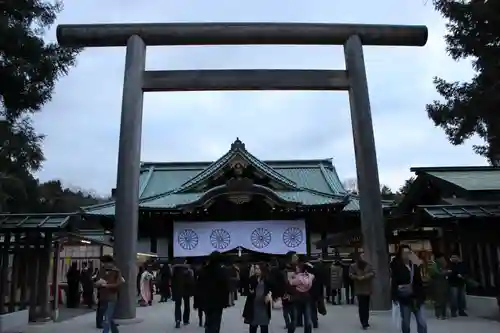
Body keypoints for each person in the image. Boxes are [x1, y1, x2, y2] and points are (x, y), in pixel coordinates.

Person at [391, 245, 427, 333]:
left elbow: (419, 282)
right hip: (404, 298)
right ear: (400, 254)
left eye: (409, 252)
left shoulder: (414, 265)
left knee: (422, 322)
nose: (407, 255)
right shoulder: (396, 265)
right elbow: (394, 282)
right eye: (405, 253)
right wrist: (394, 296)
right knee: (406, 322)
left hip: (417, 297)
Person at [198, 251, 230, 333]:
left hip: (206, 301)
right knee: (215, 323)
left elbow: (199, 287)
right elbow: (225, 288)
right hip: (218, 302)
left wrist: (199, 301)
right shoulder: (222, 271)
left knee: (208, 322)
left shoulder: (204, 270)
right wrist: (226, 302)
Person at [243, 263, 273, 333]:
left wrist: (269, 294)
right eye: (255, 268)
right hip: (253, 305)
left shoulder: (267, 279)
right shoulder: (252, 278)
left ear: (262, 269)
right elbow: (246, 289)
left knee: (264, 326)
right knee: (253, 326)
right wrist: (250, 291)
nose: (256, 270)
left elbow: (272, 289)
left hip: (263, 306)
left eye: (258, 268)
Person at [96, 255, 123, 333]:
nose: (104, 265)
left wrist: (107, 285)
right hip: (102, 297)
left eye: (105, 263)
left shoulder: (117, 271)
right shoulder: (101, 270)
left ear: (110, 263)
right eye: (103, 263)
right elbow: (96, 281)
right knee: (108, 317)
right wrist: (97, 283)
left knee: (107, 318)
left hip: (111, 297)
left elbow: (118, 284)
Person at [349, 253, 375, 330]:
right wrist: (357, 277)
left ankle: (366, 321)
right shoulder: (353, 266)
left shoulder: (369, 265)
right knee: (361, 306)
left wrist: (365, 276)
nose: (364, 257)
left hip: (367, 288)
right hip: (359, 288)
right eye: (362, 256)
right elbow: (350, 275)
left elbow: (373, 273)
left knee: (366, 306)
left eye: (365, 256)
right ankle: (363, 322)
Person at [289, 263, 314, 333]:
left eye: (297, 268)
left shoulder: (297, 278)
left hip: (297, 299)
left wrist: (291, 277)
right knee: (308, 320)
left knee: (294, 320)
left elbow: (290, 283)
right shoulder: (310, 277)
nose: (296, 269)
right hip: (306, 298)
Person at [171, 258, 195, 328]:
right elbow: (191, 281)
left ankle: (178, 320)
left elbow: (172, 280)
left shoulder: (174, 270)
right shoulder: (189, 270)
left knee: (177, 305)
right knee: (187, 305)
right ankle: (186, 320)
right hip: (186, 290)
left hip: (177, 290)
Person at [429, 252, 450, 319]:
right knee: (439, 299)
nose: (443, 259)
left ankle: (443, 314)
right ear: (438, 258)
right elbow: (435, 273)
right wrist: (445, 272)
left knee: (444, 299)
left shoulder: (443, 264)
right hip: (437, 284)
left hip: (444, 284)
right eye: (442, 258)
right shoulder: (434, 264)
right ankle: (438, 314)